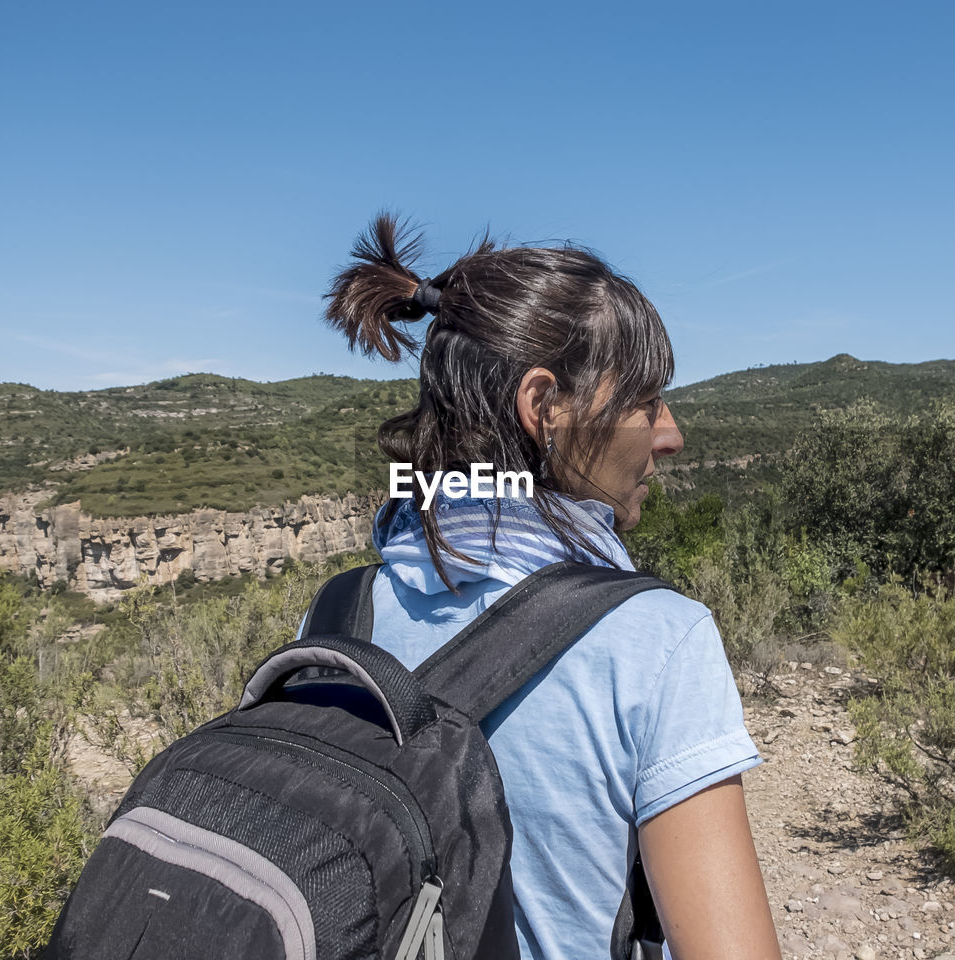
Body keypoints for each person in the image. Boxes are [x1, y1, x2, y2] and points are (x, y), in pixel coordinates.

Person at [323, 215, 782, 960]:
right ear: (545, 407)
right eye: (644, 399)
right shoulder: (657, 639)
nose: (669, 433)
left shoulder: (342, 609)